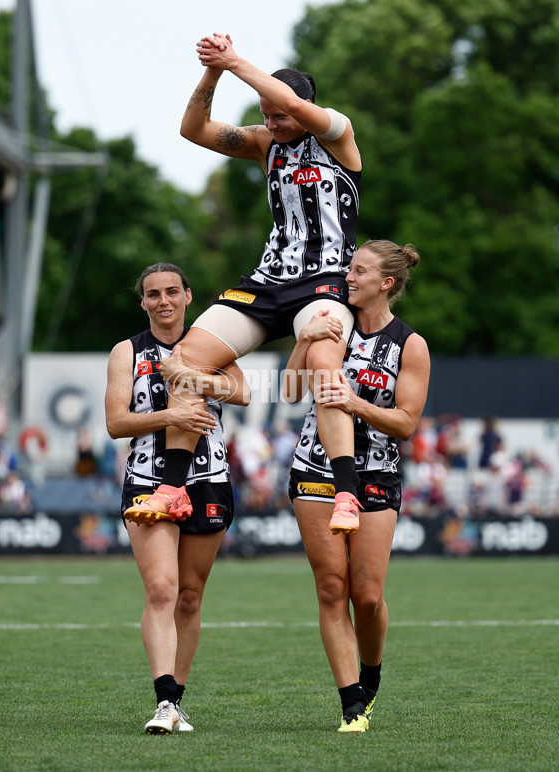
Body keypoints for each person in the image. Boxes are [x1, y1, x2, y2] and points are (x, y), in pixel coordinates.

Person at [124, 32, 364, 531]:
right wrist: (213, 70)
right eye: (265, 114)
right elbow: (192, 130)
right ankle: (171, 489)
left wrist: (234, 60)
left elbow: (292, 103)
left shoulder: (338, 137)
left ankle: (346, 495)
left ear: (305, 108)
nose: (272, 122)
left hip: (324, 279)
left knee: (321, 362)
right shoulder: (264, 143)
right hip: (267, 279)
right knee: (182, 360)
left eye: (280, 114)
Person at [284, 239, 430, 732]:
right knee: (331, 587)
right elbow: (288, 391)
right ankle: (351, 704)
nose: (348, 276)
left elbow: (406, 423)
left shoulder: (410, 344)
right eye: (350, 268)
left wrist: (355, 403)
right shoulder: (331, 324)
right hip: (315, 469)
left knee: (366, 596)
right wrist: (305, 338)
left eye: (360, 271)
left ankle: (371, 673)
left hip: (375, 474)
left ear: (386, 283)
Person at [105, 262, 249, 735]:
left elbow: (242, 392)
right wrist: (171, 415)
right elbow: (116, 423)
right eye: (152, 294)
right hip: (148, 479)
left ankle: (178, 701)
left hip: (209, 477)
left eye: (172, 291)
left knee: (189, 596)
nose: (163, 301)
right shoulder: (126, 352)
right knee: (162, 589)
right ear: (142, 301)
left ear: (189, 296)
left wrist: (195, 379)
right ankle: (164, 702)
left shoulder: (210, 343)